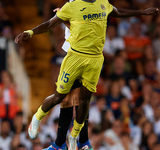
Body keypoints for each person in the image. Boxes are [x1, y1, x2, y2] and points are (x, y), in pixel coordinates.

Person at [15, 0, 159, 148]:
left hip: (95, 60)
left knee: (84, 101)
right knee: (61, 97)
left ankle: (74, 136)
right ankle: (38, 118)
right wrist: (30, 32)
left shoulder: (102, 3)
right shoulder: (72, 5)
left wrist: (143, 12)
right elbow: (50, 24)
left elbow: (118, 12)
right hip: (75, 57)